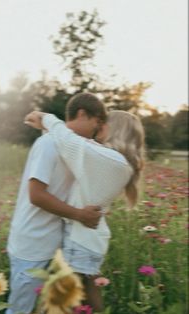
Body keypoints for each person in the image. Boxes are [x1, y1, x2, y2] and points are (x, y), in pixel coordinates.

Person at [24, 109, 145, 311]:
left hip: (81, 241)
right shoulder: (114, 161)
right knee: (88, 295)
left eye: (104, 122)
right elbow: (71, 146)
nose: (99, 125)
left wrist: (46, 118)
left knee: (66, 302)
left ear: (114, 129)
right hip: (89, 238)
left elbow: (70, 141)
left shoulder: (111, 160)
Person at [6, 93, 107, 314]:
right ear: (82, 114)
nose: (97, 130)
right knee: (20, 310)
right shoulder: (48, 144)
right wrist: (80, 215)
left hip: (56, 245)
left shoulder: (74, 148)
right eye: (96, 122)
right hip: (31, 244)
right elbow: (37, 195)